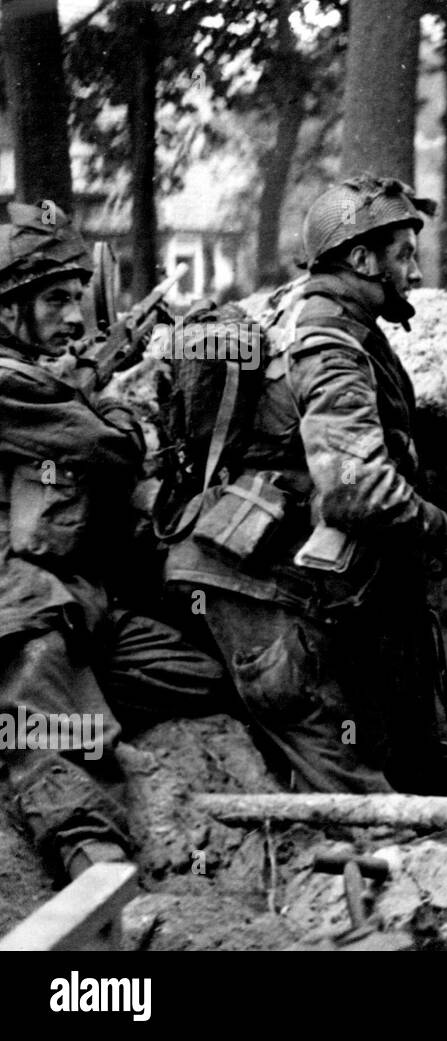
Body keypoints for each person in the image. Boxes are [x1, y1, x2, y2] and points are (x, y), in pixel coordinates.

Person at [166, 175, 447, 796]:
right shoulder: (328, 343)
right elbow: (355, 488)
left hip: (273, 584)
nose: (415, 271)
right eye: (404, 254)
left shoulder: (310, 312)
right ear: (361, 259)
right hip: (261, 599)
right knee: (364, 805)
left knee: (383, 761)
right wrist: (442, 535)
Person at [0, 201, 225, 882]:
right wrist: (116, 396)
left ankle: (79, 708)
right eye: (55, 299)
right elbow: (110, 447)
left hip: (81, 601)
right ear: (9, 308)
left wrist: (92, 383)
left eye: (80, 298)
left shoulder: (49, 378)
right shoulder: (12, 382)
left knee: (203, 676)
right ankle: (95, 866)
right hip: (20, 607)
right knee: (40, 724)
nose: (74, 317)